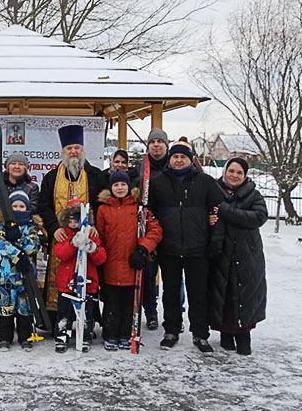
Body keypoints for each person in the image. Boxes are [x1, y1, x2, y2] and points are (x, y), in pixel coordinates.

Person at [148, 140, 223, 352]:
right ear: (170, 159)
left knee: (198, 294)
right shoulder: (158, 182)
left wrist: (214, 240)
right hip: (168, 248)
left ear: (191, 159)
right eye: (175, 157)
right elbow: (149, 215)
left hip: (198, 249)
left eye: (183, 157)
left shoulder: (206, 182)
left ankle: (200, 334)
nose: (179, 160)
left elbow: (218, 211)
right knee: (170, 293)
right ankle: (171, 330)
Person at [38, 125, 106, 322]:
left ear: (82, 150)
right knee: (60, 279)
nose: (73, 151)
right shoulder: (51, 177)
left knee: (87, 278)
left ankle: (86, 321)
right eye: (69, 148)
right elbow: (44, 206)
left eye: (77, 147)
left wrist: (93, 224)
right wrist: (54, 228)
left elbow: (102, 204)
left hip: (86, 237)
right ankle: (57, 320)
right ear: (63, 152)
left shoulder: (95, 175)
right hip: (61, 239)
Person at [95, 171, 162, 351]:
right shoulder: (103, 209)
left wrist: (143, 249)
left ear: (128, 187)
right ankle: (110, 334)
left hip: (133, 266)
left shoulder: (140, 209)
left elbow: (155, 231)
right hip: (110, 265)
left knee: (129, 303)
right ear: (111, 188)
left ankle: (127, 333)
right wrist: (99, 254)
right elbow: (99, 236)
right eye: (116, 185)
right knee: (111, 302)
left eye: (122, 185)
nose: (119, 188)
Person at [208, 157, 268, 356]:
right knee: (223, 294)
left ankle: (244, 336)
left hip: (246, 255)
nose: (234, 175)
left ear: (245, 176)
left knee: (245, 295)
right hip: (221, 253)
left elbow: (259, 217)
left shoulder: (253, 195)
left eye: (239, 172)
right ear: (225, 172)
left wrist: (226, 211)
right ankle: (225, 334)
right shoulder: (214, 192)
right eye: (231, 171)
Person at [53, 199, 106, 353]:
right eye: (70, 219)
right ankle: (62, 337)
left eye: (76, 219)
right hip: (67, 284)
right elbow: (60, 254)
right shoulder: (65, 236)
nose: (73, 223)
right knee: (65, 314)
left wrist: (91, 247)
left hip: (87, 284)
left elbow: (101, 258)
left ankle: (85, 336)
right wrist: (73, 243)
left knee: (87, 314)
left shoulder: (91, 235)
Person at [0, 190, 43, 352]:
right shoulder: (2, 226)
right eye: (14, 205)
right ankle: (4, 337)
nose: (18, 208)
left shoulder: (31, 226)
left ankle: (25, 337)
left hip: (25, 275)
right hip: (6, 275)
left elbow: (33, 246)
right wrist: (17, 255)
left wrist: (18, 238)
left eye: (21, 206)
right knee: (6, 307)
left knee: (24, 308)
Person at [132, 128, 169, 330]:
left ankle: (175, 314)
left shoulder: (175, 165)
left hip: (173, 228)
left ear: (166, 145)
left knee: (173, 278)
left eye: (160, 142)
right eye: (152, 142)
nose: (156, 145)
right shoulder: (141, 168)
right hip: (149, 228)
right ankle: (151, 312)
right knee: (148, 275)